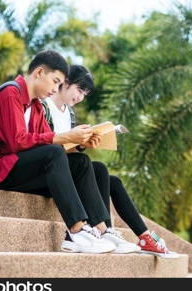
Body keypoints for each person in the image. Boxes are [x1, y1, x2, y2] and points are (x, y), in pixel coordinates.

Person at [0, 50, 116, 254]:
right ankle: (77, 231)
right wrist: (66, 136)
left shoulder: (34, 107)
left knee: (81, 162)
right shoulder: (10, 94)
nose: (55, 89)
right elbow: (17, 142)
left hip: (21, 171)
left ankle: (102, 230)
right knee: (52, 152)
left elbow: (52, 142)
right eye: (55, 81)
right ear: (39, 72)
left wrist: (81, 142)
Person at [42, 65, 178, 258]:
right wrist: (75, 144)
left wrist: (83, 143)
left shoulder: (69, 113)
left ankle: (137, 235)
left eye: (85, 94)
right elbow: (47, 145)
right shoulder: (44, 106)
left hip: (64, 164)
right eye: (79, 90)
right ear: (65, 83)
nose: (80, 97)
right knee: (85, 163)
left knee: (103, 172)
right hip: (51, 170)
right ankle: (103, 231)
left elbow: (67, 147)